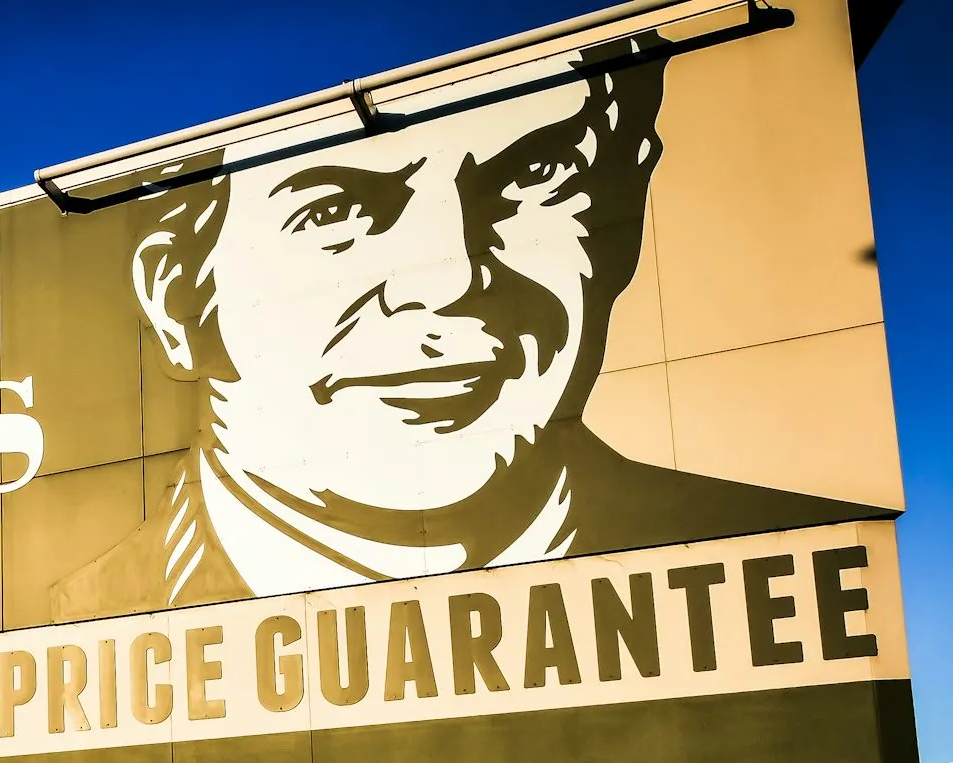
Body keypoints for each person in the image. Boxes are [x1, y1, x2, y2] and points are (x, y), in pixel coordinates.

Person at [62, 32, 871, 615]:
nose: (451, 278)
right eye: (338, 210)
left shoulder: (789, 564)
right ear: (179, 299)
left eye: (535, 172)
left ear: (622, 217)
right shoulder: (76, 624)